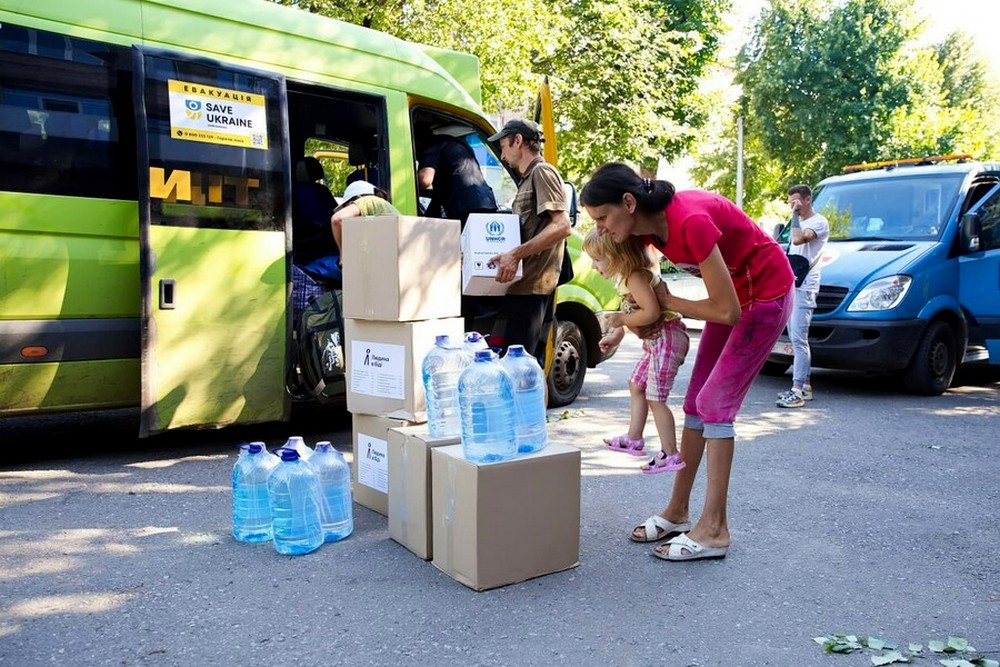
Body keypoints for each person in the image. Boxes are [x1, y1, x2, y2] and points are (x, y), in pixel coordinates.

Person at [580, 162, 793, 561]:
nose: (602, 228)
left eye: (603, 218)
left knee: (715, 406)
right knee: (694, 403)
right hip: (736, 299)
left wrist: (668, 304)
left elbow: (726, 311)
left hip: (765, 297)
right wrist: (630, 325)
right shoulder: (644, 230)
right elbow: (639, 288)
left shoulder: (689, 221)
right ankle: (678, 511)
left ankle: (715, 529)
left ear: (628, 203)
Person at [582, 228, 689, 474]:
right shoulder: (626, 280)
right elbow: (633, 314)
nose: (593, 266)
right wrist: (616, 334)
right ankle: (634, 438)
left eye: (598, 259)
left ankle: (670, 454)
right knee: (636, 384)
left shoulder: (636, 277)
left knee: (655, 396)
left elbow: (650, 312)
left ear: (619, 255)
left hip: (667, 337)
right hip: (657, 340)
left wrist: (620, 319)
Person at [485, 118, 571, 364]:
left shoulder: (543, 172)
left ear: (518, 141)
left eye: (503, 146)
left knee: (523, 368)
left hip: (534, 288)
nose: (502, 155)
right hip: (522, 286)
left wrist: (515, 255)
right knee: (520, 367)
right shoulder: (527, 179)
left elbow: (562, 225)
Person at [776, 184, 829, 409]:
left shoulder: (819, 222)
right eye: (790, 202)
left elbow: (799, 240)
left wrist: (795, 216)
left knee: (799, 339)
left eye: (796, 201)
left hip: (806, 287)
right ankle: (804, 385)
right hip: (793, 284)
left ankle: (797, 390)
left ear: (807, 200)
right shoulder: (798, 221)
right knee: (794, 336)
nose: (793, 205)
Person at [415, 124, 498, 226]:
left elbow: (424, 180)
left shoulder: (430, 145)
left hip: (465, 207)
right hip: (486, 202)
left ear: (416, 142)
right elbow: (442, 192)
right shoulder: (456, 144)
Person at [329, 180, 398, 268]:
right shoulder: (383, 206)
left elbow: (337, 219)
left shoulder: (368, 200)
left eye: (347, 207)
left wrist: (343, 255)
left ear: (356, 199)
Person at [291, 157, 339, 282]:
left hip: (300, 244)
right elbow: (335, 216)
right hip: (321, 244)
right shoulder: (321, 191)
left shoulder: (291, 192)